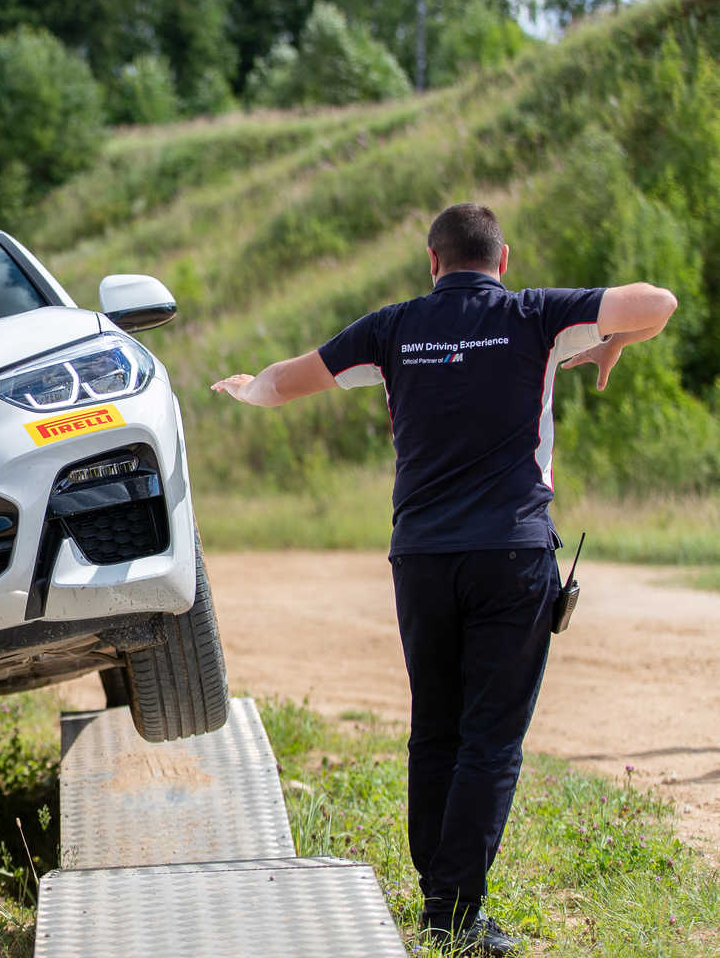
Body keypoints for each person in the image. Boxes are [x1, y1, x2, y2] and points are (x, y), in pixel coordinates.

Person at [210, 203, 679, 956]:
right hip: (511, 555)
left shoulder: (392, 328)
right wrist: (610, 343)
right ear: (503, 259)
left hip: (421, 557)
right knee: (489, 741)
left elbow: (283, 384)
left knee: (434, 728)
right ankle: (453, 915)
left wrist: (243, 387)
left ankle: (442, 895)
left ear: (433, 262)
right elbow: (660, 303)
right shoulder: (537, 317)